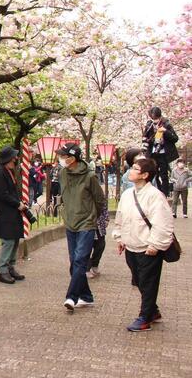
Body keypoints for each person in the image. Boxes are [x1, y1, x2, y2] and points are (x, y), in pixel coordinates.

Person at [112, 158, 175, 331]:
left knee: (148, 283)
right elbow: (121, 217)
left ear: (145, 175)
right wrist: (120, 238)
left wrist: (155, 245)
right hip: (131, 244)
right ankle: (153, 311)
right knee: (139, 281)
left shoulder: (155, 196)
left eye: (135, 169)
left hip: (148, 248)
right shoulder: (127, 194)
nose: (131, 171)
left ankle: (145, 317)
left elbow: (163, 223)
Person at [57, 142, 106, 311]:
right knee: (74, 261)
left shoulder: (90, 176)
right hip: (70, 222)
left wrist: (92, 216)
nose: (61, 159)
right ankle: (86, 296)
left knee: (80, 260)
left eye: (64, 156)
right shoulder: (62, 173)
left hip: (86, 222)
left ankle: (71, 297)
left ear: (73, 158)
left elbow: (100, 200)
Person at [0, 146, 26, 284]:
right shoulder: (1, 173)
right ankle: (3, 270)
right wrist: (17, 204)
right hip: (6, 212)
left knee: (15, 238)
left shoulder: (9, 171)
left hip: (13, 211)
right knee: (9, 241)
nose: (16, 159)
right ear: (9, 159)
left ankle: (11, 267)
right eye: (14, 157)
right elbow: (1, 194)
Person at [141, 107, 179, 194]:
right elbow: (145, 137)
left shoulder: (166, 124)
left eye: (156, 118)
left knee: (164, 175)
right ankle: (157, 191)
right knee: (153, 174)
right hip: (153, 153)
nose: (155, 120)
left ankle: (165, 194)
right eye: (153, 118)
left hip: (163, 153)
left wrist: (165, 131)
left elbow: (175, 138)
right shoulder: (149, 124)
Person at [87, 204, 109, 279]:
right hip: (87, 225)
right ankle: (86, 269)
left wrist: (106, 219)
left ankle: (94, 265)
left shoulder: (100, 194)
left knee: (101, 246)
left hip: (99, 226)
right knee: (87, 248)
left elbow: (104, 206)